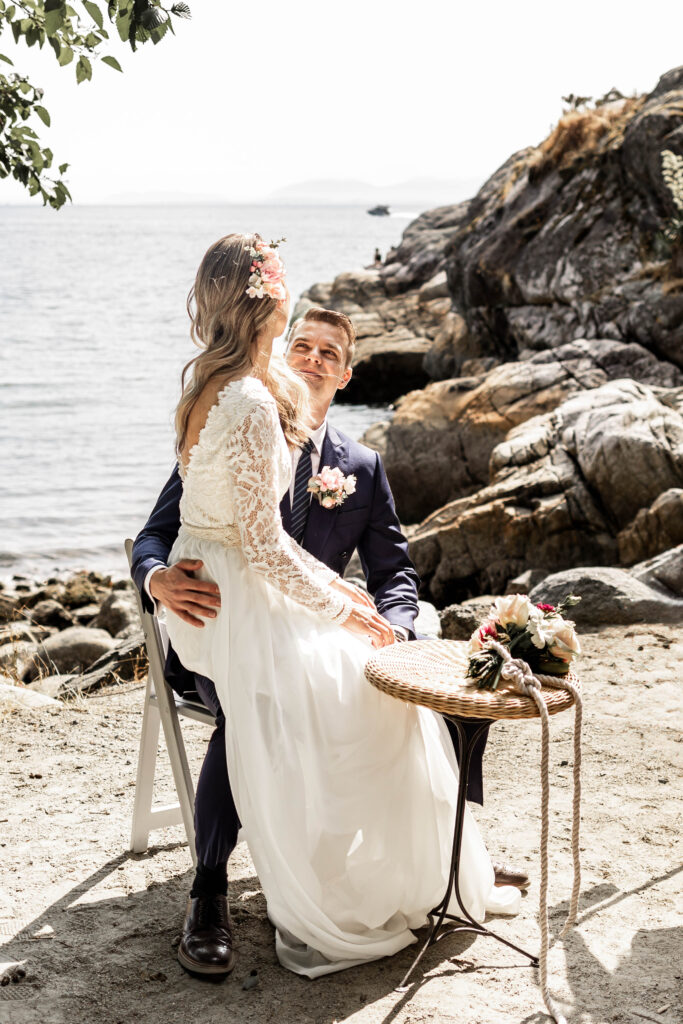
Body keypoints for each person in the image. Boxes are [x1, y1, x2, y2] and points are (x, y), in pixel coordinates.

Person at [135, 232, 521, 979]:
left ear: (345, 375)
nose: (309, 358)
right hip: (224, 610)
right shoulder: (247, 407)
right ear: (274, 319)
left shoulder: (346, 456)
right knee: (290, 702)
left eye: (327, 354)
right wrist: (156, 579)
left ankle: (436, 857)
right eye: (300, 341)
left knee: (401, 670)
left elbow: (394, 573)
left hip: (260, 599)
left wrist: (384, 621)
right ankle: (212, 890)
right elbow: (183, 533)